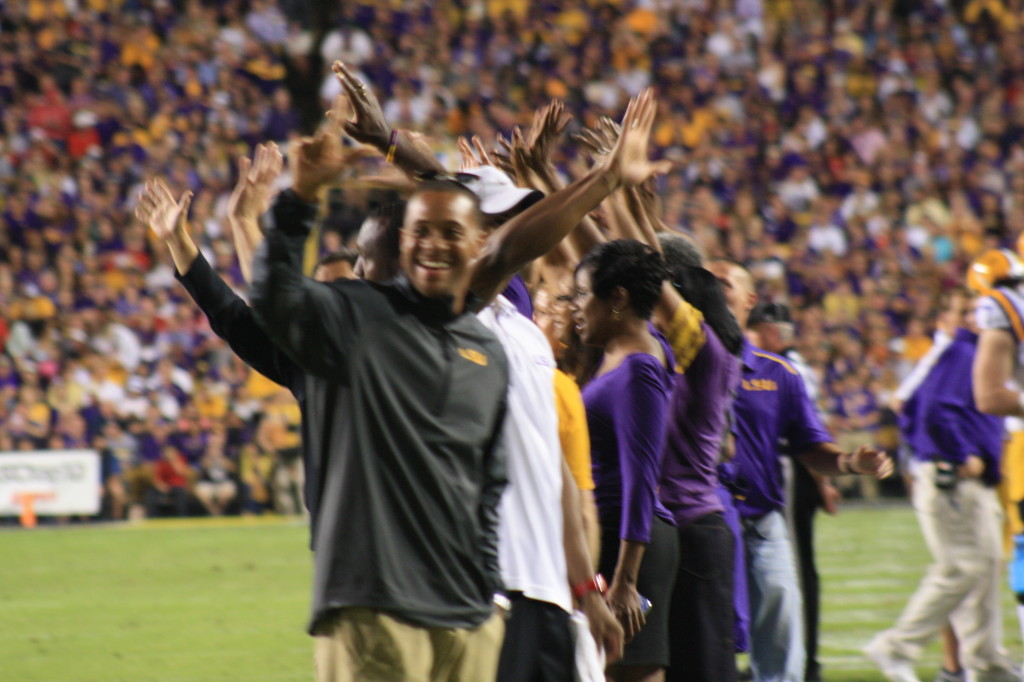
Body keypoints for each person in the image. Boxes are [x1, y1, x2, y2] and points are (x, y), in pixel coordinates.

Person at [710, 258, 893, 682]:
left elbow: (810, 447)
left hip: (761, 521)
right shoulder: (675, 362)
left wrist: (848, 462)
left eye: (723, 281)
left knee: (781, 649)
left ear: (749, 299)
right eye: (706, 280)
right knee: (706, 646)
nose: (713, 287)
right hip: (705, 522)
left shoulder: (779, 373)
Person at [867, 281, 1019, 682]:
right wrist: (960, 453)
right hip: (953, 478)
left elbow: (911, 407)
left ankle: (987, 663)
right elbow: (929, 411)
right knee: (963, 567)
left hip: (969, 480)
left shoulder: (970, 351)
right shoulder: (962, 351)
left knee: (985, 567)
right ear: (949, 319)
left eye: (978, 309)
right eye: (966, 312)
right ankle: (896, 646)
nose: (976, 318)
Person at [573, 239, 680, 682]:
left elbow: (641, 478)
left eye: (582, 294)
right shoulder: (622, 351)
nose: (575, 306)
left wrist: (626, 580)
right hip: (616, 538)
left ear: (617, 298)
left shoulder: (638, 369)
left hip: (630, 546)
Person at [657, 262, 743, 682]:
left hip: (694, 529)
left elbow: (651, 278)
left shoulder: (708, 353)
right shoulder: (690, 360)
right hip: (682, 529)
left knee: (705, 669)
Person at [747, 301, 840, 682]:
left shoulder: (785, 368)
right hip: (779, 467)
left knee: (791, 571)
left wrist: (823, 481)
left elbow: (806, 433)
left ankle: (803, 661)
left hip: (789, 469)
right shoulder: (773, 364)